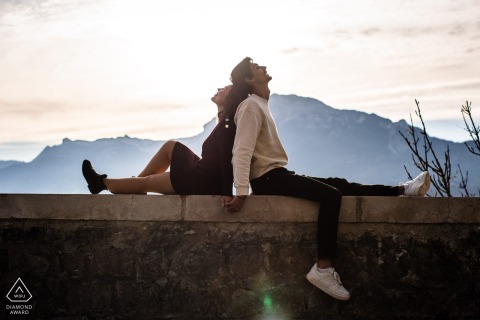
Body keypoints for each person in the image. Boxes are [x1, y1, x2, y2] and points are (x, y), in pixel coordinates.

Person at [223, 57, 431, 301]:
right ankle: (323, 269)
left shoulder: (260, 104)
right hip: (268, 178)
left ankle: (402, 190)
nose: (263, 66)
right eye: (256, 67)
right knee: (332, 195)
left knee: (338, 184)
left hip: (277, 174)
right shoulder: (250, 107)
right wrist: (241, 192)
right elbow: (241, 151)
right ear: (249, 79)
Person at [82, 85, 237, 209]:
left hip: (202, 181)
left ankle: (102, 184)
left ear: (231, 99)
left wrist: (227, 192)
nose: (218, 89)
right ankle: (135, 186)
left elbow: (226, 159)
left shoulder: (227, 125)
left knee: (149, 181)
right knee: (171, 146)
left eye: (224, 89)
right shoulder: (223, 122)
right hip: (202, 173)